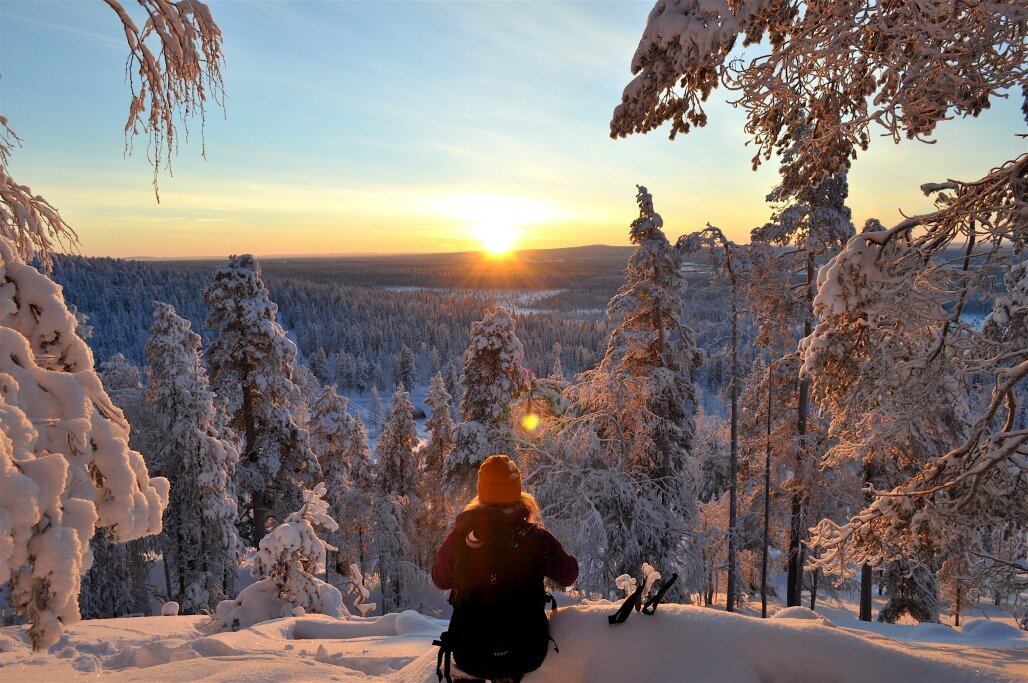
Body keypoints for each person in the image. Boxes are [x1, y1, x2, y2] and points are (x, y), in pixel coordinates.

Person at [432, 454, 578, 683]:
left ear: (481, 493)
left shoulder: (461, 537)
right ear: (516, 491)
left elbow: (439, 579)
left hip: (471, 655)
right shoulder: (536, 537)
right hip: (527, 651)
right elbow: (569, 576)